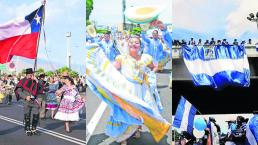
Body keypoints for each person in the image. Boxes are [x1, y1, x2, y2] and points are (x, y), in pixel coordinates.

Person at [112, 36, 162, 145]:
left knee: (138, 111)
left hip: (140, 89)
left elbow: (154, 67)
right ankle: (123, 137)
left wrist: (149, 74)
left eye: (136, 43)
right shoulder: (121, 58)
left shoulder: (146, 58)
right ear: (127, 44)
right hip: (125, 89)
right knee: (126, 111)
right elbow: (112, 69)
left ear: (140, 45)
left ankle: (137, 129)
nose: (134, 44)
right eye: (131, 42)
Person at [14, 68, 39, 136]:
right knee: (27, 115)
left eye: (32, 74)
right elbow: (19, 91)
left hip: (34, 100)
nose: (32, 75)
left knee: (36, 115)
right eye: (31, 74)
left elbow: (40, 89)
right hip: (27, 101)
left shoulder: (34, 81)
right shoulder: (22, 81)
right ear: (28, 74)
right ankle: (27, 128)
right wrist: (25, 97)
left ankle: (34, 128)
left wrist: (37, 81)